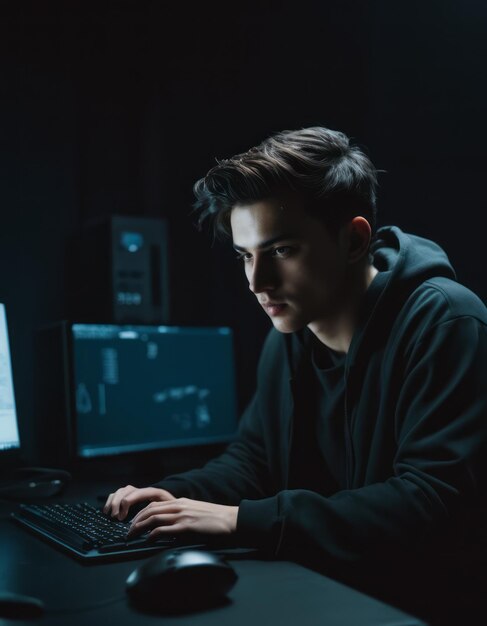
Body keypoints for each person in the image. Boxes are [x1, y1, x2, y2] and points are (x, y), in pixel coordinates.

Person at [104, 126, 487, 621]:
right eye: (246, 255)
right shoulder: (288, 335)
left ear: (353, 239)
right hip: (330, 592)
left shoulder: (447, 323)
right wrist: (177, 495)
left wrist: (241, 521)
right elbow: (254, 459)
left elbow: (431, 503)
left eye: (281, 251)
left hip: (423, 608)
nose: (257, 282)